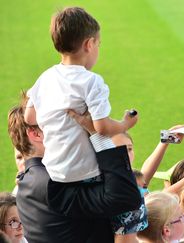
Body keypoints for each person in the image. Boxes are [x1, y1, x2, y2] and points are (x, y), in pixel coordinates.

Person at [22, 7, 144, 242]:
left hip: (56, 173)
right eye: (99, 44)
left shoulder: (46, 77)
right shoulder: (92, 81)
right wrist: (125, 123)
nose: (98, 49)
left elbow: (30, 118)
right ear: (89, 44)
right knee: (132, 199)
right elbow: (101, 128)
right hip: (86, 174)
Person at [7, 97, 137, 242]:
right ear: (36, 134)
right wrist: (97, 134)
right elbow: (124, 198)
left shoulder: (29, 178)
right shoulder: (54, 181)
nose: (73, 128)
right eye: (59, 124)